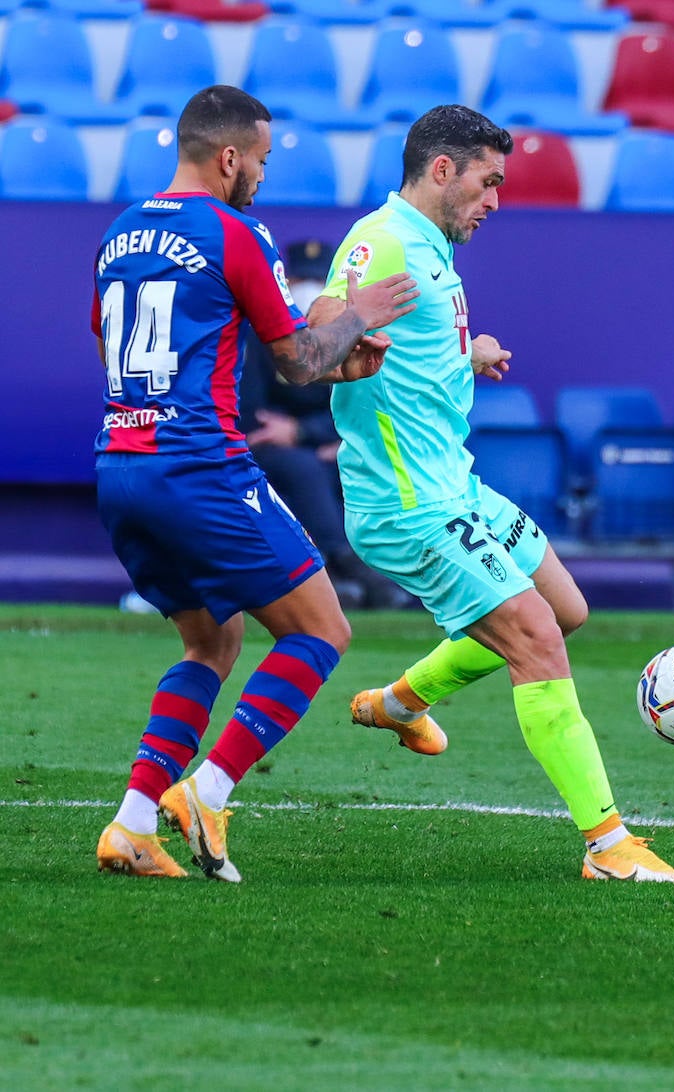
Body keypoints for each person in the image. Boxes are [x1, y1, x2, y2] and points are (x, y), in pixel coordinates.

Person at [309, 104, 674, 883]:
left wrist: (463, 356)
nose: (494, 201)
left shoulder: (434, 246)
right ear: (441, 170)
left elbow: (407, 350)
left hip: (455, 483)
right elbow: (321, 330)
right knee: (535, 637)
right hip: (408, 502)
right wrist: (337, 342)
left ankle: (402, 701)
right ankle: (609, 844)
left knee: (568, 612)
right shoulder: (382, 241)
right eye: (488, 183)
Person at [93, 85, 419, 882]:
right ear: (230, 157)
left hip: (119, 464)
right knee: (322, 630)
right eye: (263, 161)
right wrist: (355, 313)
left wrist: (338, 351)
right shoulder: (235, 232)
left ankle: (134, 826)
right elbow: (298, 361)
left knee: (214, 641)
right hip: (200, 465)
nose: (263, 176)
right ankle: (209, 787)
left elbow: (118, 344)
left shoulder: (117, 235)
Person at [238, 238, 412, 610]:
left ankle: (375, 570)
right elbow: (251, 412)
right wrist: (299, 438)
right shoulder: (260, 336)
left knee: (354, 459)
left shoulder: (350, 338)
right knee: (303, 469)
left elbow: (358, 403)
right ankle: (336, 564)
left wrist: (305, 433)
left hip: (324, 440)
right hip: (270, 448)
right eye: (302, 279)